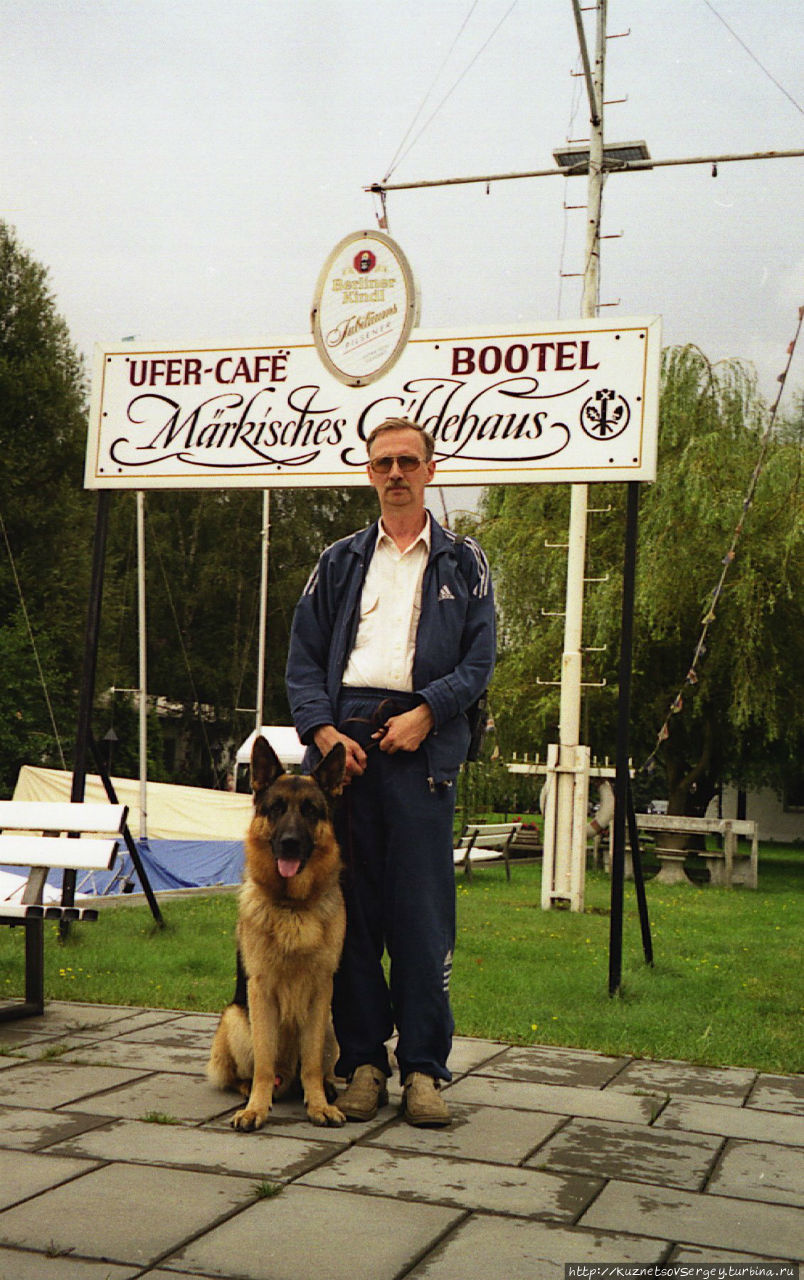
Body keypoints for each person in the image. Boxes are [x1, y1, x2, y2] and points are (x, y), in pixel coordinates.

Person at [285, 416, 496, 1127]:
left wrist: (429, 712)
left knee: (421, 917)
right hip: (345, 751)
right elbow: (304, 658)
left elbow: (478, 662)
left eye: (408, 461)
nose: (396, 473)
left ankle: (426, 1072)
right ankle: (366, 1063)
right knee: (350, 914)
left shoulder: (464, 563)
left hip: (421, 749)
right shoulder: (340, 560)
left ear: (431, 471)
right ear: (370, 473)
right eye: (383, 463)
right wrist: (323, 732)